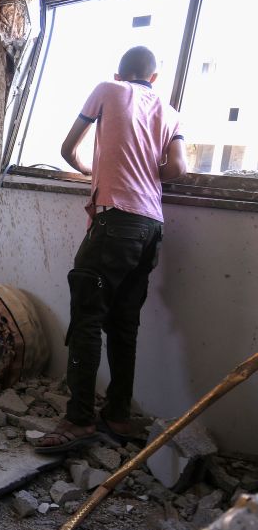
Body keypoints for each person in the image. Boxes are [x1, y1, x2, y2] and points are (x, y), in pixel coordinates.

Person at [36, 46, 187, 453]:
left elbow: (68, 148)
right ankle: (118, 415)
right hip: (150, 226)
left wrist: (90, 169)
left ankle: (79, 419)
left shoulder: (107, 89)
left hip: (115, 219)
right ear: (153, 78)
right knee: (124, 325)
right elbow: (177, 169)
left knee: (86, 318)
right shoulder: (170, 113)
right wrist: (145, 170)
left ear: (119, 74)